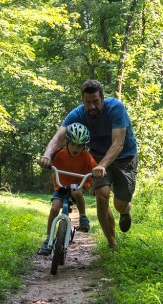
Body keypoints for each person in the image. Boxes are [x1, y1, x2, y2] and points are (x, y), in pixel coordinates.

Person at [38, 80, 138, 249]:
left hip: (124, 157)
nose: (91, 106)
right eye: (87, 102)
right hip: (97, 157)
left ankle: (125, 211)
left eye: (95, 102)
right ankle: (112, 243)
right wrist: (47, 155)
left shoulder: (116, 108)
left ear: (103, 99)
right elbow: (58, 138)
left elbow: (118, 144)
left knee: (120, 204)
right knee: (102, 195)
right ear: (83, 101)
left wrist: (102, 166)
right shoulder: (77, 114)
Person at [38, 123, 97, 256]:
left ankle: (83, 216)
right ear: (67, 142)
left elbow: (95, 168)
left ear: (84, 146)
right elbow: (48, 160)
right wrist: (45, 162)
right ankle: (48, 240)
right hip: (61, 187)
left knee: (76, 191)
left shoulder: (87, 157)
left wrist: (98, 171)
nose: (76, 148)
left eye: (80, 145)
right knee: (54, 209)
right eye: (73, 144)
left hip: (78, 185)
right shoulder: (59, 154)